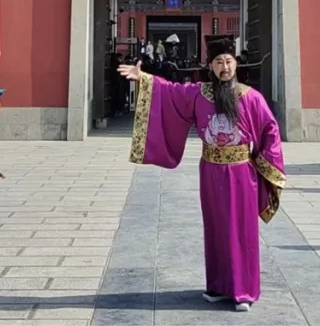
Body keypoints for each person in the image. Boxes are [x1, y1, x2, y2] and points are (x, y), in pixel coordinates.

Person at [117, 37, 285, 312]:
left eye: (229, 62)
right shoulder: (199, 93)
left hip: (242, 172)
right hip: (210, 170)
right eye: (219, 62)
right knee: (217, 228)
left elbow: (271, 130)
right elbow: (169, 91)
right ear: (210, 66)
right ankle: (219, 286)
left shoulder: (251, 97)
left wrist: (263, 164)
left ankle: (244, 290)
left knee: (241, 229)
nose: (225, 67)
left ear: (236, 65)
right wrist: (143, 78)